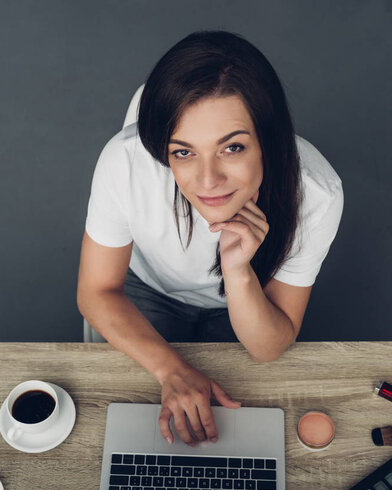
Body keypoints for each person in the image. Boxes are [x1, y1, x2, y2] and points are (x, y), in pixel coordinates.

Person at [77, 30, 344, 448]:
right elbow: (96, 291)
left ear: (268, 140)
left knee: (235, 430)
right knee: (121, 417)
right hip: (144, 291)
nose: (207, 181)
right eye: (183, 152)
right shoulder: (125, 162)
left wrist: (238, 272)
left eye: (232, 148)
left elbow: (268, 347)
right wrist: (171, 370)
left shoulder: (317, 194)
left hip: (243, 302)